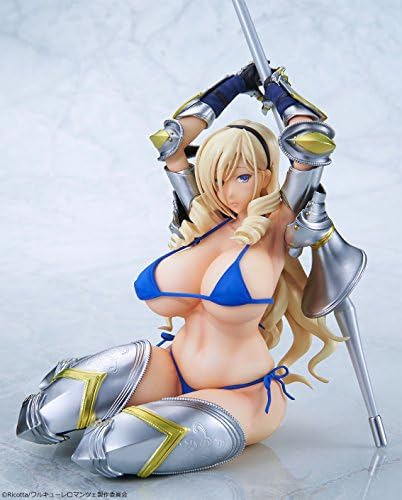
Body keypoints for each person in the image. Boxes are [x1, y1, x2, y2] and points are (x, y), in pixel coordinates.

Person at [16, 62, 342, 478]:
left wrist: (277, 91)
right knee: (46, 413)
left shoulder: (277, 224)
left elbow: (310, 140)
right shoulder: (202, 216)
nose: (226, 190)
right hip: (172, 368)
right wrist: (235, 84)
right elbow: (169, 141)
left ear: (263, 177)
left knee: (111, 449)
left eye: (240, 177)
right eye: (216, 178)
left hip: (241, 394)